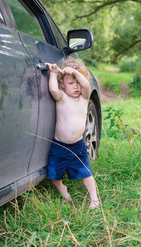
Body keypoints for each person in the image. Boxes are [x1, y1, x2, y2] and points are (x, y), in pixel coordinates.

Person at [46, 57, 99, 209]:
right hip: (60, 147)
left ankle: (94, 198)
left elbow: (86, 85)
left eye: (78, 82)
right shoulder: (61, 98)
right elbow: (53, 89)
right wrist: (54, 73)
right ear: (63, 84)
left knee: (86, 172)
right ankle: (62, 189)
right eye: (71, 83)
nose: (76, 86)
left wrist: (75, 72)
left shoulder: (84, 98)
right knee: (54, 173)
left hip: (77, 146)